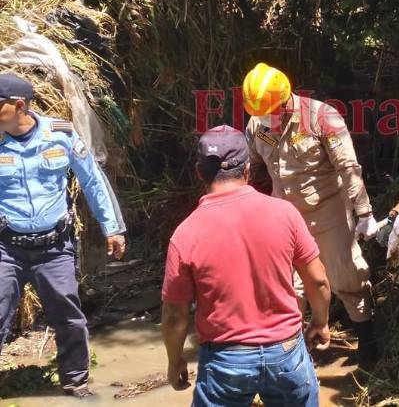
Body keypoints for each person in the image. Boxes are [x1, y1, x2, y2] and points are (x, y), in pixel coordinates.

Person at [162, 125, 331, 407]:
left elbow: (174, 316)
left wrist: (175, 360)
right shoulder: (285, 213)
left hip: (226, 359)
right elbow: (318, 281)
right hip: (286, 352)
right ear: (248, 169)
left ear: (199, 172)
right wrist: (320, 322)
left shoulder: (185, 233)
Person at [0, 73, 126, 398]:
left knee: (69, 317)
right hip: (7, 249)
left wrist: (112, 227)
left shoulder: (61, 134)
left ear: (18, 106)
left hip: (55, 248)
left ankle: (76, 383)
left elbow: (93, 181)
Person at [242, 63, 379, 363]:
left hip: (328, 211)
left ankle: (367, 342)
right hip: (286, 217)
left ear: (286, 100)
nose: (268, 121)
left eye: (271, 113)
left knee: (347, 274)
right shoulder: (258, 125)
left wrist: (364, 212)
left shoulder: (321, 118)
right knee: (290, 286)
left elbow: (348, 167)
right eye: (261, 115)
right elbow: (252, 171)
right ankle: (300, 351)